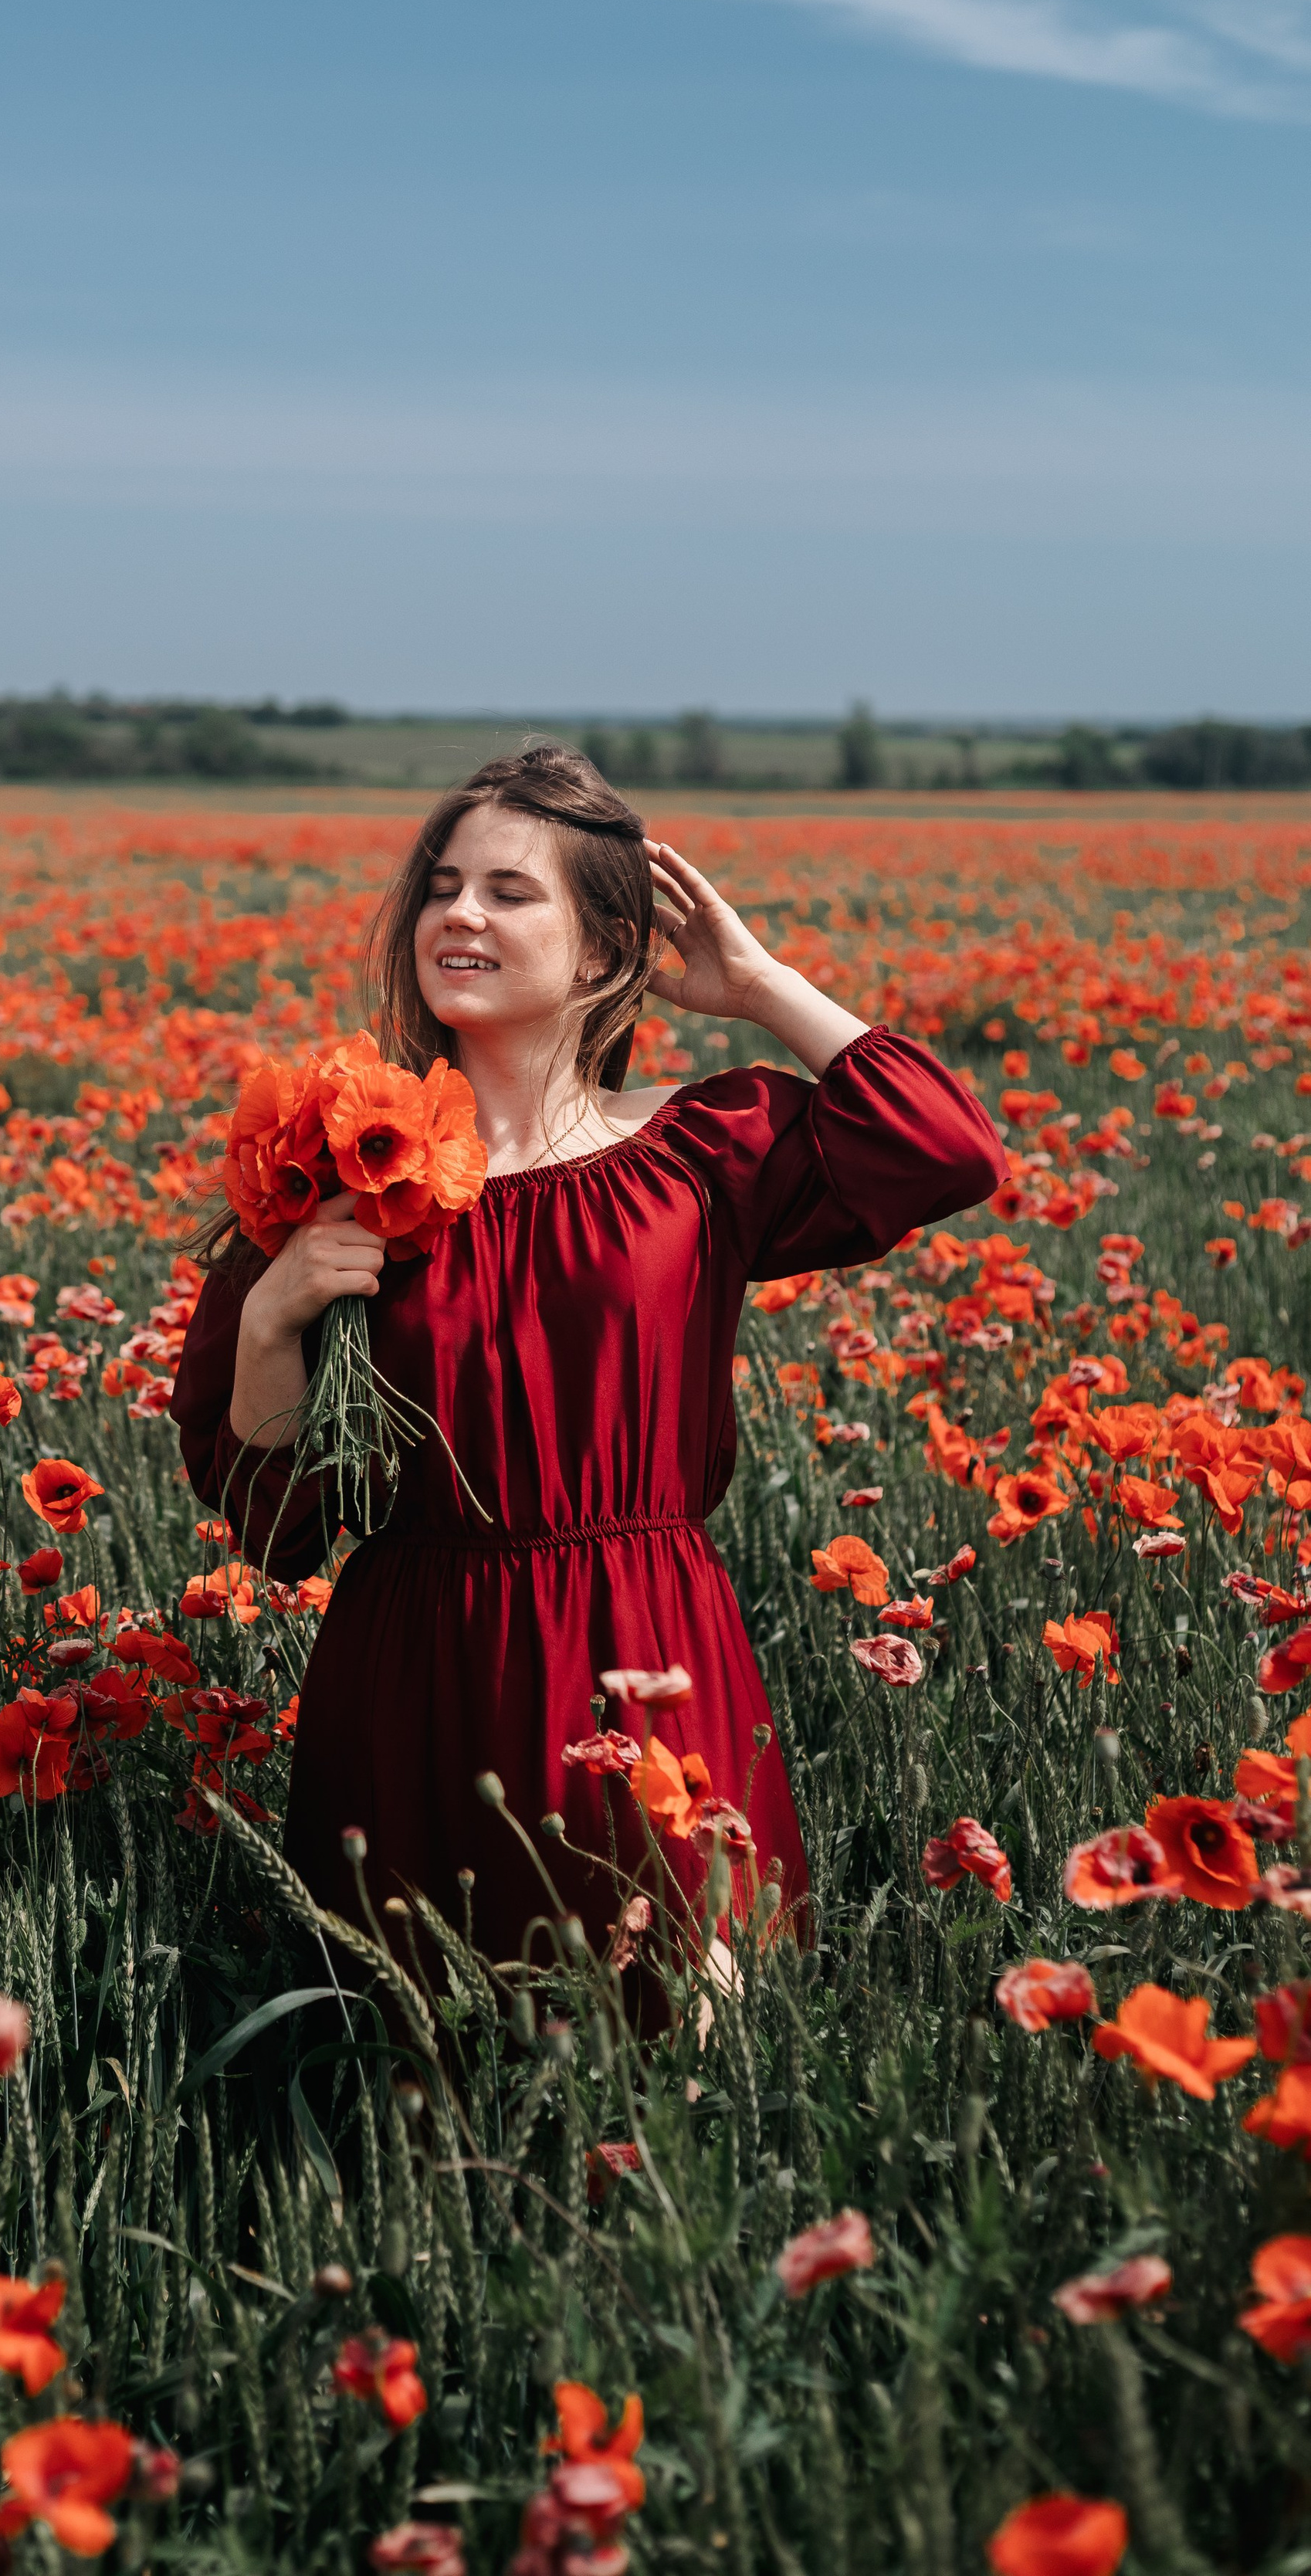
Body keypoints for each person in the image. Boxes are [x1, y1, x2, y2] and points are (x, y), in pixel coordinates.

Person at [171, 745, 1003, 1975]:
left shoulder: (697, 1152)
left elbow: (950, 1149)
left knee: (679, 2031)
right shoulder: (339, 1171)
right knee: (427, 2056)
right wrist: (268, 1324)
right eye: (442, 887)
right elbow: (277, 1527)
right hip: (416, 1677)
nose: (459, 914)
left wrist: (763, 986)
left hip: (649, 1651)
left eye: (509, 892)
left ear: (607, 951)